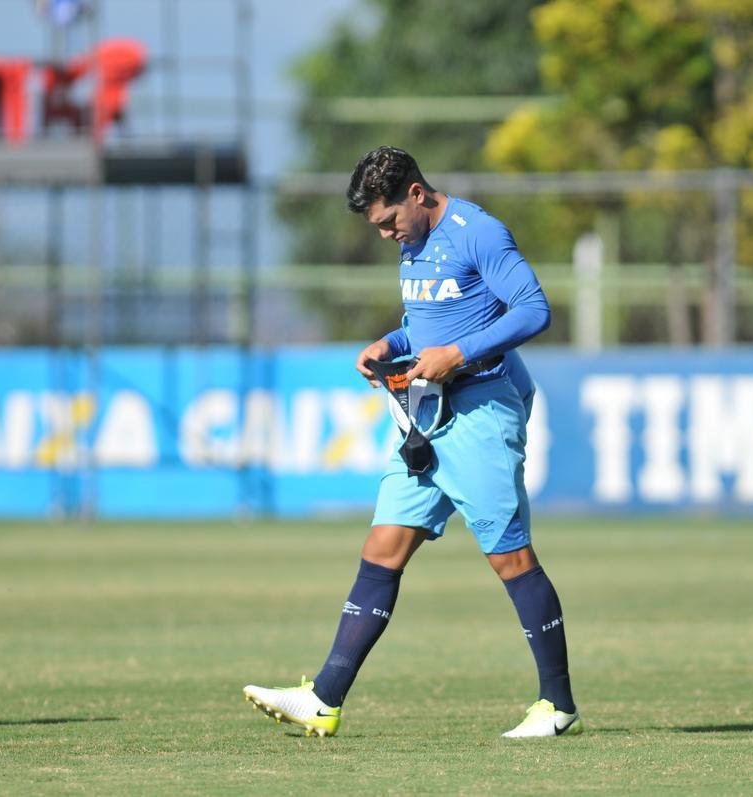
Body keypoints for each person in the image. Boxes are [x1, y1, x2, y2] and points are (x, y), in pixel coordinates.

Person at [243, 146, 581, 739]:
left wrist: (459, 354)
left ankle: (558, 706)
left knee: (510, 557)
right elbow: (432, 322)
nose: (386, 235)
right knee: (383, 546)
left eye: (388, 221)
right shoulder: (412, 243)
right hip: (428, 414)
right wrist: (388, 343)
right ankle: (324, 699)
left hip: (480, 409)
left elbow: (534, 310)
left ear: (417, 194)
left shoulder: (478, 232)